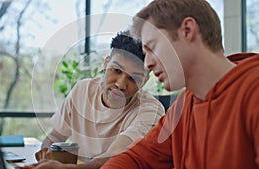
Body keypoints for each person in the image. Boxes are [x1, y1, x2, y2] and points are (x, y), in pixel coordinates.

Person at [101, 0, 259, 169]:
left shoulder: (253, 91)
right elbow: (138, 158)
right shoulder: (184, 106)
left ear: (187, 30)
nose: (147, 64)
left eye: (152, 48)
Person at [27, 30, 165, 169]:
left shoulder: (151, 111)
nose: (121, 84)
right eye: (116, 70)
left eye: (134, 78)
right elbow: (56, 135)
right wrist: (45, 154)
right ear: (106, 63)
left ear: (145, 81)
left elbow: (113, 159)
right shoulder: (82, 90)